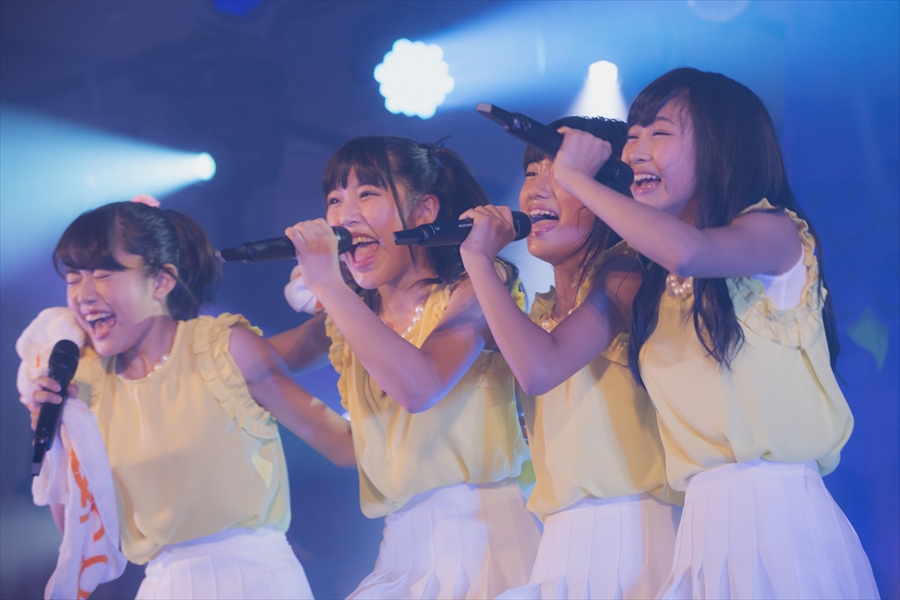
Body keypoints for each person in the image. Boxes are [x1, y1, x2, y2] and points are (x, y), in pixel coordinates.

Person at [548, 67, 879, 599]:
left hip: (778, 522)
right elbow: (540, 366)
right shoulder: (653, 280)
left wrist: (576, 179)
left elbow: (689, 251)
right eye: (632, 136)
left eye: (659, 133)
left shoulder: (776, 233)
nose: (635, 152)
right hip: (699, 530)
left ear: (723, 145)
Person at [24, 200, 356, 599]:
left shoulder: (224, 349)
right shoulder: (86, 384)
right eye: (74, 277)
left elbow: (345, 446)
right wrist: (56, 440)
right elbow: (81, 536)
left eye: (103, 274)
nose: (84, 294)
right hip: (162, 584)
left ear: (161, 281)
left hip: (257, 578)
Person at [270, 136, 540, 599]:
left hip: (486, 541)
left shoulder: (477, 287)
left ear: (424, 210)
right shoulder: (352, 319)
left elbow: (420, 386)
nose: (344, 216)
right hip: (397, 548)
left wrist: (330, 288)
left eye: (366, 194)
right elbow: (247, 361)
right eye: (334, 200)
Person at [457, 116, 682, 599]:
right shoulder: (540, 314)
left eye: (559, 173)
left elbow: (540, 369)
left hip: (633, 540)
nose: (535, 191)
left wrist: (478, 260)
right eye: (531, 173)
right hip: (559, 542)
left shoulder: (626, 275)